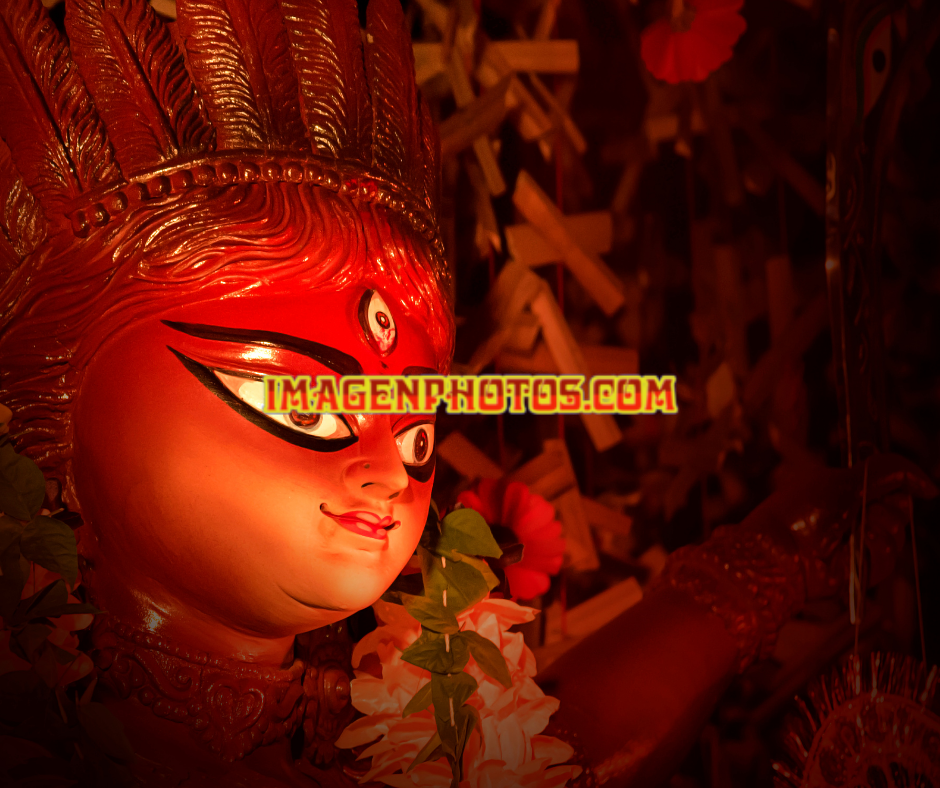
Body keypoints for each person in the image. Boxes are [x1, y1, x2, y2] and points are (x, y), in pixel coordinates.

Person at [0, 0, 932, 785]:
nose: (387, 476)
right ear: (55, 402)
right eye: (304, 406)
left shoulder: (366, 734)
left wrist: (780, 552)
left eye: (416, 437)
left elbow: (565, 756)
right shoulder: (45, 736)